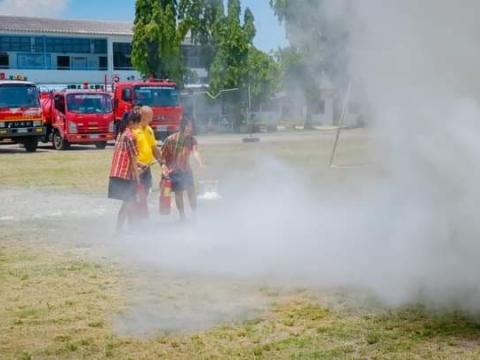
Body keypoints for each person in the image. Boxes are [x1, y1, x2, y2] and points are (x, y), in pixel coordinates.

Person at [161, 115, 205, 220]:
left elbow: (195, 152)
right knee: (178, 193)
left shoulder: (191, 140)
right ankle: (182, 216)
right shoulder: (171, 139)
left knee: (191, 192)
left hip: (186, 170)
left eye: (191, 126)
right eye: (188, 126)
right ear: (182, 126)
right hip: (174, 171)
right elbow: (162, 155)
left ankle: (194, 214)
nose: (190, 128)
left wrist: (200, 163)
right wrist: (163, 167)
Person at [108, 111, 141, 233]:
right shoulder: (131, 136)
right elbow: (132, 157)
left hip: (116, 173)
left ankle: (129, 228)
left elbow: (125, 155)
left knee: (129, 202)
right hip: (125, 175)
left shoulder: (121, 134)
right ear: (131, 122)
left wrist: (139, 165)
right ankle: (120, 230)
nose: (138, 126)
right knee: (128, 202)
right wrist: (137, 177)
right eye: (137, 123)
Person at [132, 106, 162, 196]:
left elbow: (154, 148)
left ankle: (142, 209)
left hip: (147, 167)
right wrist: (137, 165)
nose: (151, 119)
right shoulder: (134, 129)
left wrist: (162, 163)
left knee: (146, 189)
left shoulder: (149, 129)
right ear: (144, 116)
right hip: (136, 167)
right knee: (135, 193)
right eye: (150, 117)